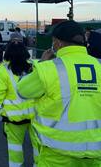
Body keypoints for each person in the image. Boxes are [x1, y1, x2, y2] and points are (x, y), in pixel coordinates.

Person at [17, 20, 101, 166]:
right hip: (96, 154)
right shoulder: (99, 65)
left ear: (58, 43)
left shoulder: (50, 69)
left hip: (57, 154)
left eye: (53, 40)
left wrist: (41, 64)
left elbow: (22, 90)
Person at [0, 38, 38, 167]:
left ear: (7, 53)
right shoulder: (35, 67)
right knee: (39, 146)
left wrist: (3, 113)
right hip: (36, 116)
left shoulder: (2, 71)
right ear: (25, 51)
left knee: (15, 148)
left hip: (13, 118)